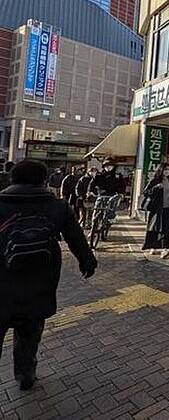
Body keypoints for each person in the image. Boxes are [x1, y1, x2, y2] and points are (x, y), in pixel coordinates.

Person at [0, 160, 97, 390]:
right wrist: (87, 262)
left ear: (13, 178)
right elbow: (76, 238)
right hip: (39, 281)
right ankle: (25, 374)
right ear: (44, 180)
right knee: (30, 331)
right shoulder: (57, 206)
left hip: (2, 281)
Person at [141, 163, 169, 259]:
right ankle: (153, 246)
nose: (167, 171)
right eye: (166, 169)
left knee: (167, 229)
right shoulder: (155, 181)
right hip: (157, 209)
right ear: (161, 170)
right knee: (156, 228)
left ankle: (165, 249)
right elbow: (145, 192)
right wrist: (156, 188)